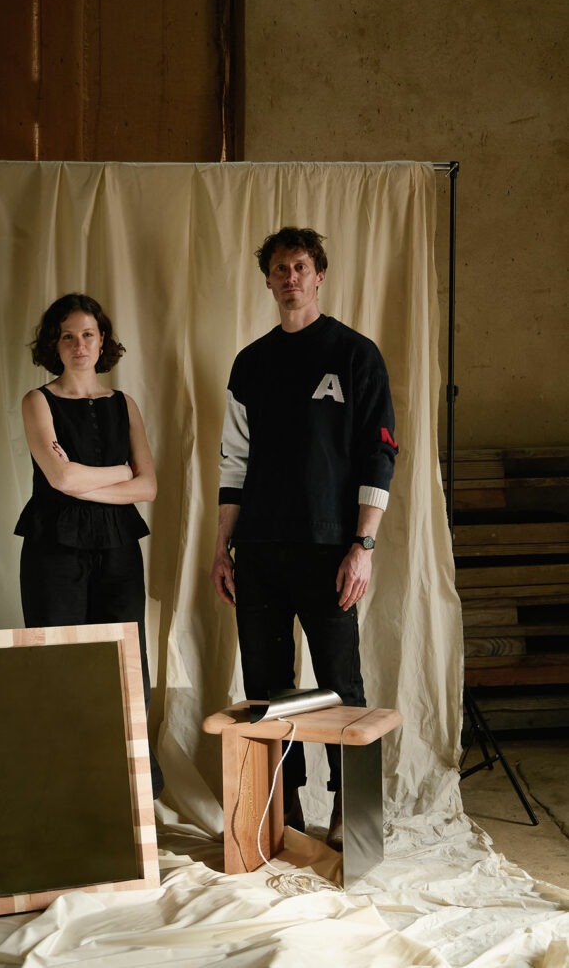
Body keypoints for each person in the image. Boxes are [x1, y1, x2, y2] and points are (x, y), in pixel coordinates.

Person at [210, 227, 398, 846]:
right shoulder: (251, 363)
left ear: (319, 276)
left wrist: (362, 547)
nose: (290, 277)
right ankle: (280, 806)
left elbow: (379, 455)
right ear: (267, 281)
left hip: (331, 550)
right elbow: (234, 463)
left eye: (300, 267)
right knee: (268, 687)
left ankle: (351, 814)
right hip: (259, 549)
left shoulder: (356, 354)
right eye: (279, 269)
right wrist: (222, 548)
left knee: (342, 683)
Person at [15, 292, 163, 797]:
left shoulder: (125, 404)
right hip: (53, 548)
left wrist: (86, 478)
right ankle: (63, 796)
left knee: (126, 667)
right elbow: (59, 479)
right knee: (60, 667)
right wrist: (121, 470)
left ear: (103, 342)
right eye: (68, 336)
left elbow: (148, 487)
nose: (79, 345)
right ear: (53, 344)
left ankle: (128, 796)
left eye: (88, 334)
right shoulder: (37, 401)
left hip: (119, 547)